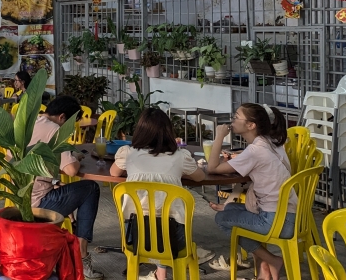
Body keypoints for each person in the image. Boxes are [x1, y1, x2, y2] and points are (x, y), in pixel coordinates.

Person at [110, 108, 213, 280]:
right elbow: (200, 177)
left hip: (135, 237)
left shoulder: (128, 154)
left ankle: (160, 274)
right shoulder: (180, 156)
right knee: (165, 217)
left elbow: (114, 173)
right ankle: (161, 273)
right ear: (168, 132)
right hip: (174, 240)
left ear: (140, 131)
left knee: (150, 216)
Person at [208, 103, 295, 280]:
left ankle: (271, 260)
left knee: (222, 219)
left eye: (236, 117)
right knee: (230, 209)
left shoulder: (255, 151)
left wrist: (219, 137)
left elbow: (212, 168)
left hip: (274, 221)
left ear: (251, 125)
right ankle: (263, 267)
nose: (232, 120)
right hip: (290, 215)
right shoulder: (271, 143)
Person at [29, 95, 103, 280]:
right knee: (91, 188)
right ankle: (82, 254)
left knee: (71, 188)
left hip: (24, 196)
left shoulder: (31, 121)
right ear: (62, 117)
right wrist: (74, 157)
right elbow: (71, 170)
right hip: (40, 203)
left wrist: (53, 182)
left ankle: (75, 245)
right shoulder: (54, 130)